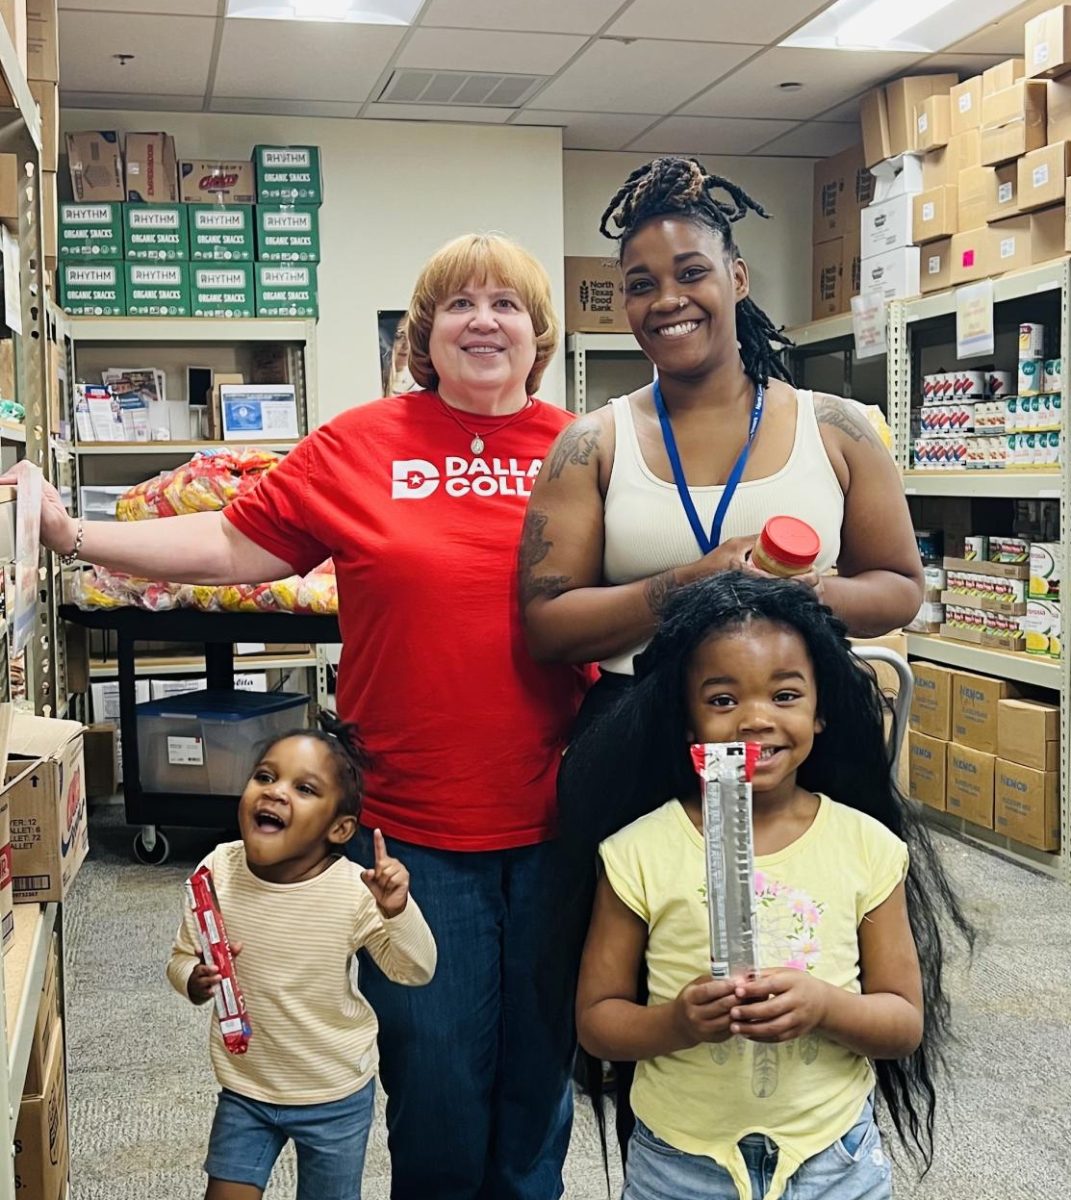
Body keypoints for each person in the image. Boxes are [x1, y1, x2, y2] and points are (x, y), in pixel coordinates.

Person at [13, 233, 588, 1200]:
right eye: (458, 304)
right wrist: (72, 533)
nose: (483, 320)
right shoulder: (362, 444)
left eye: (507, 305)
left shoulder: (585, 449)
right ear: (423, 335)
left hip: (561, 819)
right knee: (436, 1084)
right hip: (411, 832)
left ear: (539, 334)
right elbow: (234, 543)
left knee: (540, 1086)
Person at [566, 574, 973, 1200]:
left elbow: (902, 1023)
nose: (756, 720)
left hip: (833, 1156)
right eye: (723, 701)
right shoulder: (637, 853)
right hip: (681, 1158)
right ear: (686, 719)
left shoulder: (865, 847)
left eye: (785, 695)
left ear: (820, 711)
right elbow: (598, 1021)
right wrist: (678, 1021)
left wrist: (824, 1005)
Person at [519, 157, 924, 704]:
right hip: (639, 727)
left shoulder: (834, 428)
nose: (667, 300)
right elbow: (547, 627)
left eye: (691, 273)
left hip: (799, 729)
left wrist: (810, 593)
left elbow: (900, 588)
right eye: (642, 285)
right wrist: (692, 582)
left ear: (736, 277)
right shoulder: (592, 445)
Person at [167, 712, 437, 1200]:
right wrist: (194, 978)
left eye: (305, 789)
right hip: (247, 1086)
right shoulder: (217, 872)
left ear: (339, 829)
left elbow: (415, 969)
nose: (274, 792)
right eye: (265, 777)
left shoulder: (353, 892)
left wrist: (398, 911)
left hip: (333, 1092)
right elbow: (181, 957)